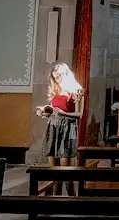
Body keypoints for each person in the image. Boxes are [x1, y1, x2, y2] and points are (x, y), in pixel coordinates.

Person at [36, 62, 84, 195]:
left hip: (68, 129)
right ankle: (55, 201)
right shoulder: (55, 90)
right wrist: (44, 112)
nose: (58, 80)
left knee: (65, 171)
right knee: (54, 172)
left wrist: (61, 113)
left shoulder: (77, 90)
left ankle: (72, 200)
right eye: (55, 77)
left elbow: (79, 115)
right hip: (53, 128)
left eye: (59, 76)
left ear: (66, 75)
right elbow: (53, 112)